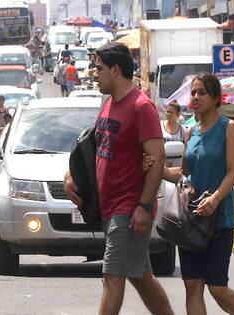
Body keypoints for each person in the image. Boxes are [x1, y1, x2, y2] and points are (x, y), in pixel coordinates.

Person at [63, 42, 174, 315]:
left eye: (99, 68)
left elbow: (157, 158)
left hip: (129, 208)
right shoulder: (109, 103)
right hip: (111, 207)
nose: (94, 73)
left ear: (115, 70)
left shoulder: (141, 107)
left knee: (112, 276)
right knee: (140, 276)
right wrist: (70, 176)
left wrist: (144, 207)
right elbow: (93, 148)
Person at [159, 73, 234, 315]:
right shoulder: (190, 132)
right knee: (192, 286)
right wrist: (159, 169)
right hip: (191, 219)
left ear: (216, 97)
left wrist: (215, 199)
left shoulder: (227, 128)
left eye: (202, 93)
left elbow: (232, 172)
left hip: (219, 219)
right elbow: (185, 176)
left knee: (217, 287)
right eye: (194, 92)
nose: (196, 97)